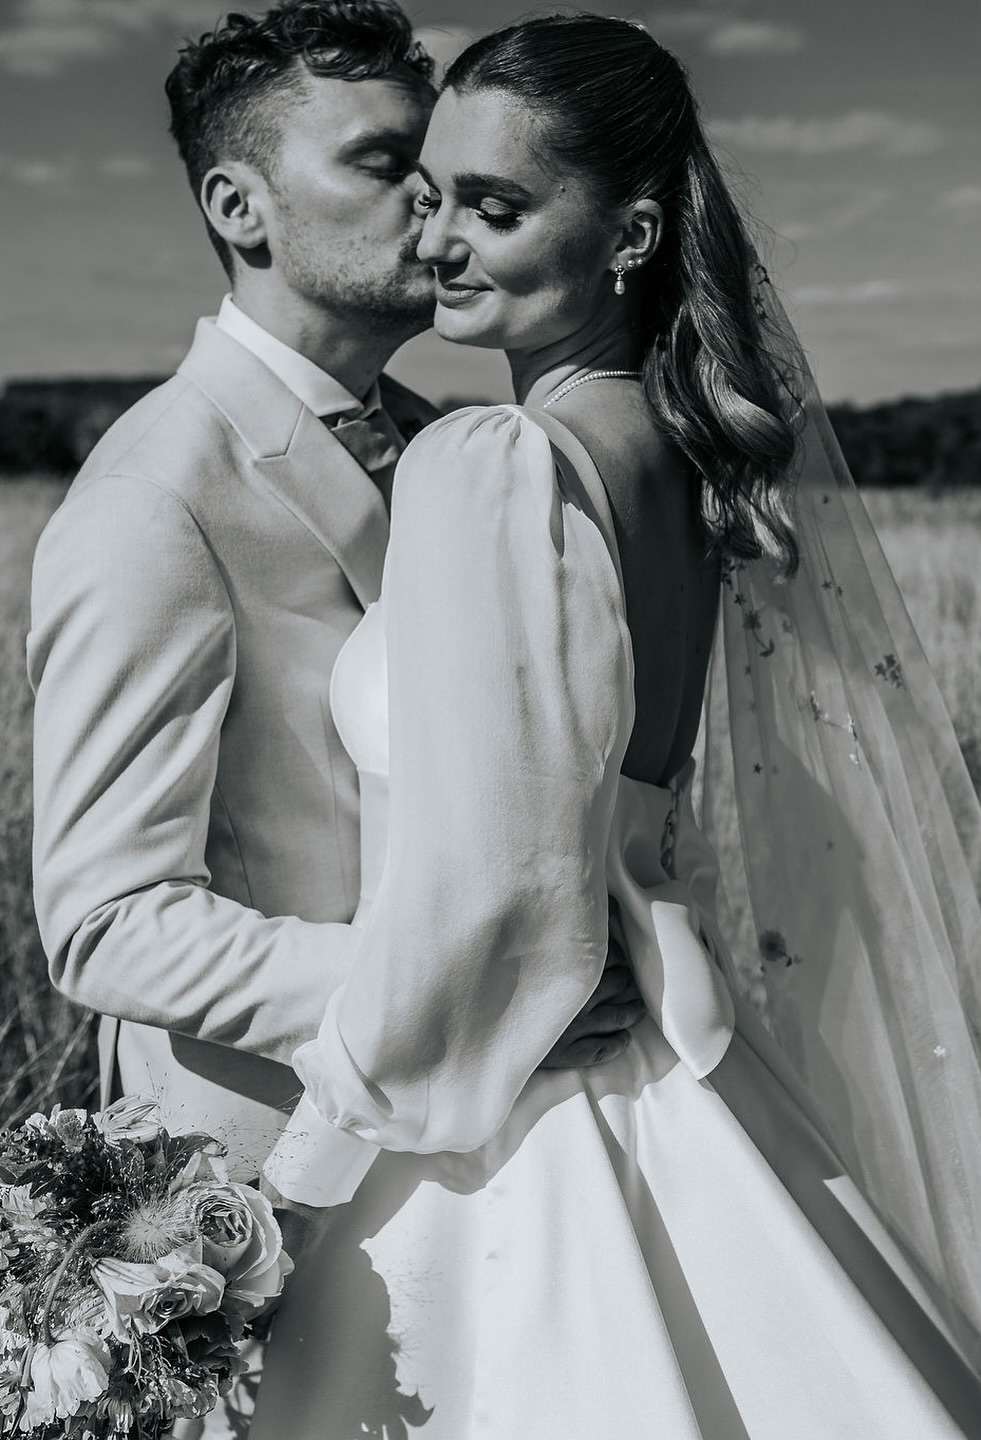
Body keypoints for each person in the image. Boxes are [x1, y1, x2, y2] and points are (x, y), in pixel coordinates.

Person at [250, 12, 981, 1439]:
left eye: (497, 208)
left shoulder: (492, 461)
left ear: (628, 236)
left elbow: (482, 894)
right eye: (434, 196)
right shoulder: (676, 459)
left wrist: (291, 1182)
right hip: (665, 1069)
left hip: (499, 1115)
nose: (441, 239)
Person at [27, 1, 639, 1431]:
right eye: (383, 165)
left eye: (443, 169)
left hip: (487, 1144)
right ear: (238, 205)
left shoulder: (450, 445)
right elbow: (107, 918)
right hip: (262, 1196)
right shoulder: (152, 498)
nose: (435, 210)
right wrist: (450, 989)